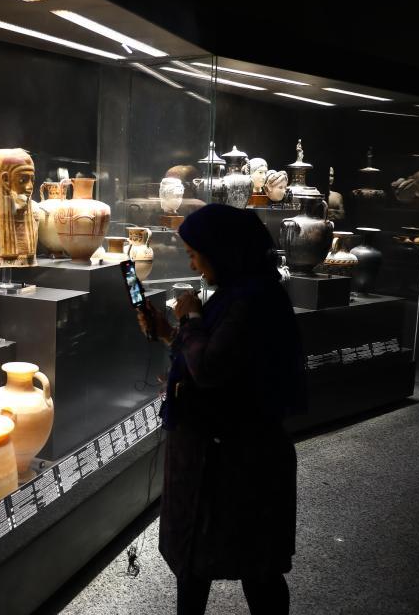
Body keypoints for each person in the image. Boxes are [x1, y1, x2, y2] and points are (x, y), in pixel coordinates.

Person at [137, 204, 306, 614]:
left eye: (196, 254)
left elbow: (210, 368)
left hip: (232, 458)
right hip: (231, 450)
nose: (192, 264)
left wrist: (192, 318)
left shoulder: (251, 301)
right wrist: (169, 333)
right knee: (246, 564)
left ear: (222, 252)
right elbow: (220, 357)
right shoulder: (246, 292)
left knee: (247, 564)